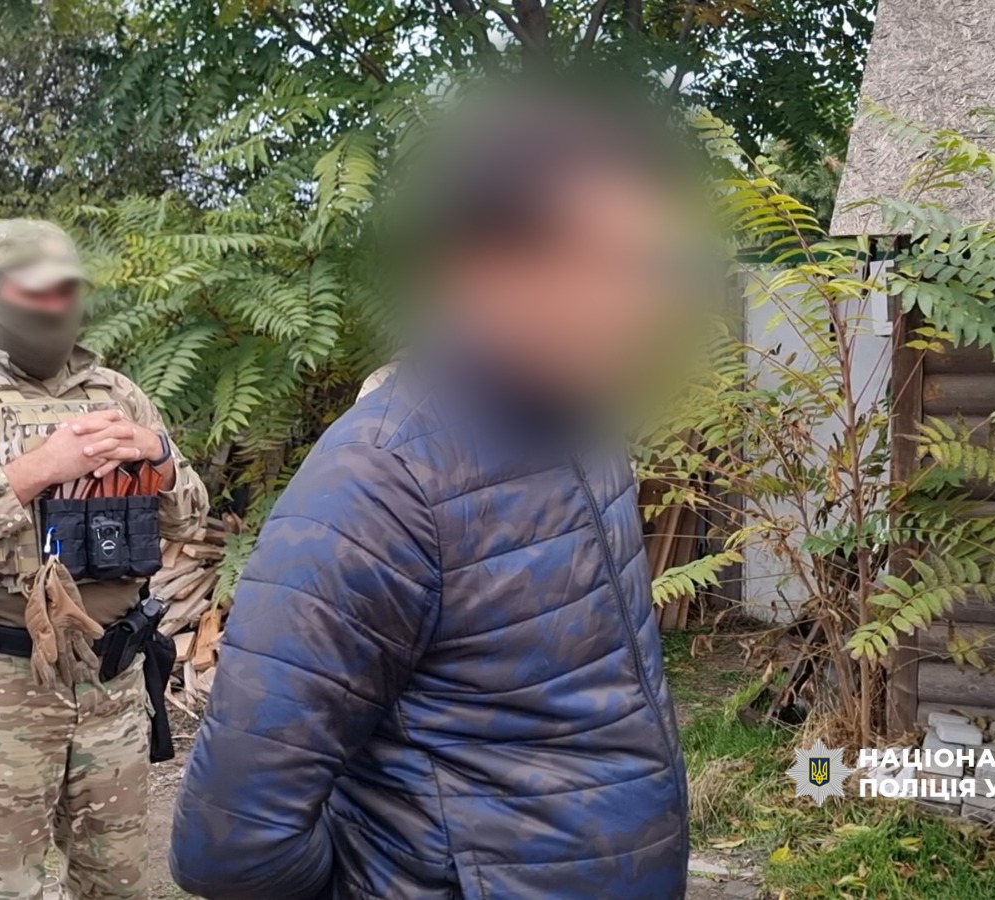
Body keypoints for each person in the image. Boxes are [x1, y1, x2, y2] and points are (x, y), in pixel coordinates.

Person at [170, 85, 703, 899]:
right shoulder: (380, 485)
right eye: (603, 267)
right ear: (486, 271)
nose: (645, 302)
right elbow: (232, 846)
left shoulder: (583, 429)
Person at [0, 219, 208, 900]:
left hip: (114, 680)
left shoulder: (120, 396)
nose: (52, 306)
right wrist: (37, 471)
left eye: (64, 290)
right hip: (5, 688)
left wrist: (159, 457)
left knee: (117, 884)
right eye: (34, 291)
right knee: (3, 887)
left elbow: (191, 518)